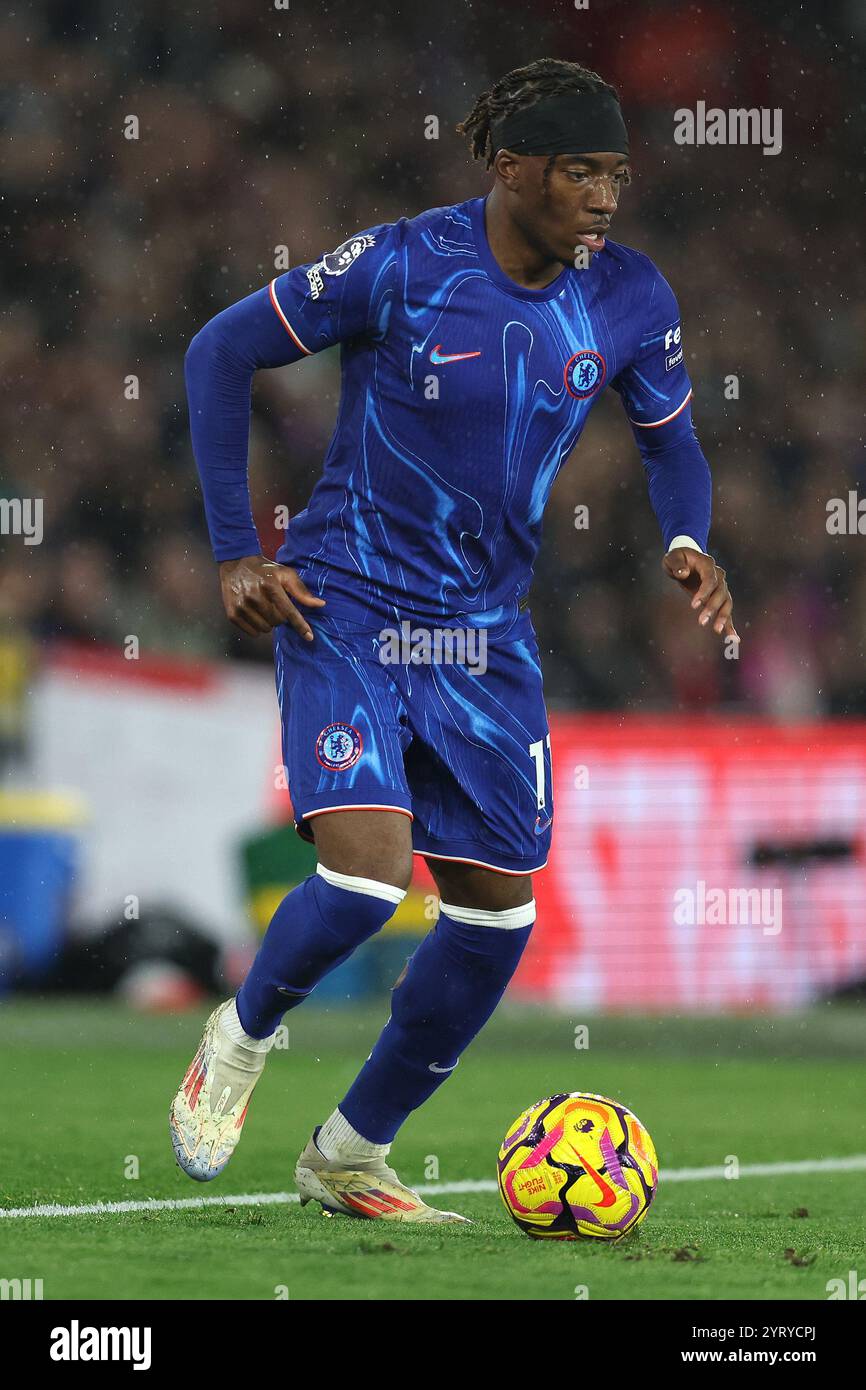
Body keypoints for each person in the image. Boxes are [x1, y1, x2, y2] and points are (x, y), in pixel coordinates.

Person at [173, 57, 736, 1222]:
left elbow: (671, 443)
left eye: (616, 175)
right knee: (366, 872)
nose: (603, 198)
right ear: (509, 167)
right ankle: (242, 1032)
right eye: (579, 171)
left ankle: (347, 1152)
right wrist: (238, 550)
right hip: (346, 601)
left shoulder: (628, 296)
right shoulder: (400, 264)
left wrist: (687, 538)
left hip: (482, 636)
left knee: (494, 917)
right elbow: (218, 352)